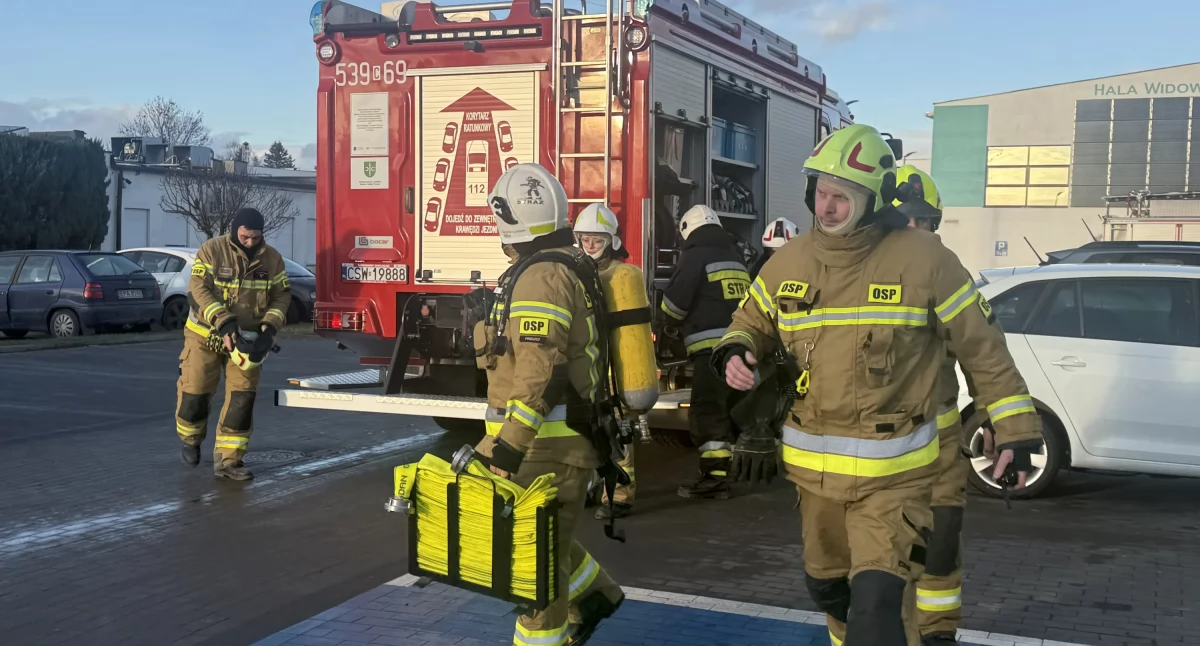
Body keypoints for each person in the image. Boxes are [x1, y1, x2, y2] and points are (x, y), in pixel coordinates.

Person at [713, 124, 1043, 645]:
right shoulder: (788, 262)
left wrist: (1016, 431)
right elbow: (750, 320)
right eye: (820, 193)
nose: (826, 208)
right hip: (814, 481)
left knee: (877, 604)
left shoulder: (926, 261)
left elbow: (984, 349)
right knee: (829, 591)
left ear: (872, 201)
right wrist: (737, 350)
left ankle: (932, 633)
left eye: (841, 198)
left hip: (897, 480)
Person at [475, 164, 625, 646]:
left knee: (533, 568)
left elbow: (540, 371)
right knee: (542, 545)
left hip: (545, 447)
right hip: (542, 441)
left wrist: (509, 447)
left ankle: (547, 635)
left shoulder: (542, 276)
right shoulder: (559, 265)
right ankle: (595, 594)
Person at [894, 165, 968, 646]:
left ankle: (938, 634)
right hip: (879, 452)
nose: (915, 228)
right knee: (883, 557)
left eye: (923, 220)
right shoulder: (860, 274)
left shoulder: (947, 272)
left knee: (940, 546)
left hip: (939, 444)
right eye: (906, 218)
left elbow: (980, 348)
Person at [176, 208, 290, 481]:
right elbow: (198, 290)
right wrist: (223, 321)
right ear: (234, 230)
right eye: (245, 236)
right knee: (196, 392)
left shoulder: (272, 259)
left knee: (242, 398)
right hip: (204, 335)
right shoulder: (211, 250)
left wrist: (269, 327)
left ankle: (229, 461)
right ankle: (191, 439)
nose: (250, 242)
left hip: (246, 342)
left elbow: (281, 296)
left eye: (255, 237)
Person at [659, 205, 751, 500]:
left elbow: (675, 304)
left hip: (711, 353)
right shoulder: (735, 258)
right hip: (741, 349)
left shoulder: (695, 255)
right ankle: (731, 471)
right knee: (731, 409)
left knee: (708, 410)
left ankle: (714, 479)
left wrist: (665, 322)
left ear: (687, 231)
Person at [574, 203, 641, 521]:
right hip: (589, 364)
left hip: (616, 367)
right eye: (585, 239)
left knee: (618, 429)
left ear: (611, 241)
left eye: (597, 240)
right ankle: (592, 487)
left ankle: (620, 496)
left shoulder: (620, 276)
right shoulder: (577, 273)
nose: (590, 246)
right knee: (588, 430)